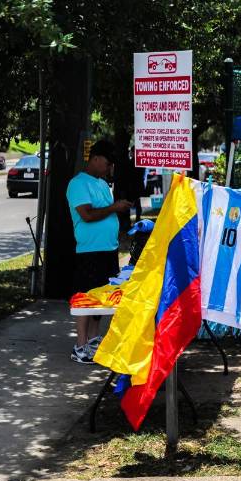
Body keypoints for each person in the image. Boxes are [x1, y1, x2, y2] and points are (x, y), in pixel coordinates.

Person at [66, 139, 132, 364]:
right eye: (107, 163)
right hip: (89, 251)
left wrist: (116, 208)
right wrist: (114, 207)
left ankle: (94, 340)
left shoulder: (103, 184)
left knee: (102, 298)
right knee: (85, 298)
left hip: (108, 250)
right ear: (94, 159)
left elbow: (105, 212)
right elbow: (87, 215)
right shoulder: (78, 184)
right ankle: (80, 345)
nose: (109, 167)